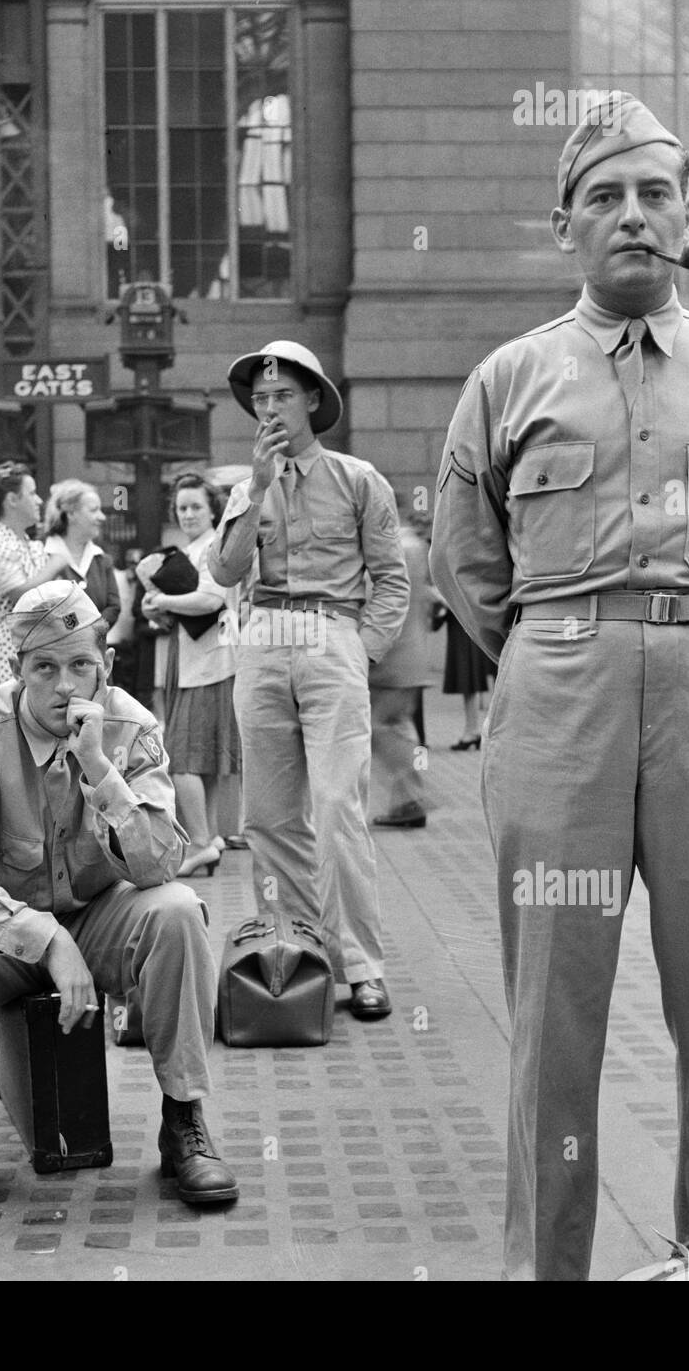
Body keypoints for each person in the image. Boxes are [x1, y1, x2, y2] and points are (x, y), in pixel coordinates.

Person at [429, 93, 689, 1281]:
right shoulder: (507, 378)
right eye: (604, 197)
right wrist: (570, 649)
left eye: (653, 195)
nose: (631, 217)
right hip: (557, 694)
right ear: (563, 227)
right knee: (552, 1017)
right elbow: (464, 561)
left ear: (688, 213)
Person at [0, 580, 236, 1218]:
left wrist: (101, 771)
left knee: (180, 912)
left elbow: (161, 863)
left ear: (106, 667)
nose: (64, 686)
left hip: (101, 918)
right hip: (2, 935)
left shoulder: (130, 725)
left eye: (81, 666)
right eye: (44, 667)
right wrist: (45, 939)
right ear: (18, 672)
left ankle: (183, 1119)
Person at [210, 341, 409, 1021]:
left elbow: (390, 579)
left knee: (335, 807)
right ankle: (301, 951)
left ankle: (362, 964)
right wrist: (259, 487)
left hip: (329, 636)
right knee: (267, 817)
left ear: (313, 401)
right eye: (259, 400)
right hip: (261, 641)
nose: (268, 409)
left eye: (282, 396)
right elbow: (225, 573)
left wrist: (359, 650)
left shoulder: (358, 479)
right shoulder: (245, 489)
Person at [139, 473, 241, 877]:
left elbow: (210, 600)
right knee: (204, 758)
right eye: (182, 507)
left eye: (196, 506)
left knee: (181, 759)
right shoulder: (193, 549)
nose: (188, 514)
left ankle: (199, 842)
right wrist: (156, 612)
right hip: (194, 661)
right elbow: (186, 612)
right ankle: (210, 836)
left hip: (209, 664)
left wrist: (161, 598)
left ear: (213, 508)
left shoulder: (214, 549)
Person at [369, 496, 436, 829]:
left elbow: (381, 598)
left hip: (392, 654)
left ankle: (413, 797)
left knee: (379, 727)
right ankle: (406, 801)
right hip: (411, 652)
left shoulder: (393, 546)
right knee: (398, 725)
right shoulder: (414, 543)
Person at [0, 461, 72, 691]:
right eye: (31, 493)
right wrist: (55, 565)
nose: (39, 500)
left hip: (38, 644)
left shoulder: (31, 545)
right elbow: (21, 596)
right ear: (12, 500)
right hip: (9, 648)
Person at [42, 479, 121, 629]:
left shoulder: (102, 559)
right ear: (71, 514)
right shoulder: (41, 553)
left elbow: (113, 607)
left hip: (94, 648)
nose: (102, 517)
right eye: (93, 510)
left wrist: (91, 631)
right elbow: (45, 607)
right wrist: (76, 630)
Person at [441, 608, 496, 750]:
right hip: (471, 626)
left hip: (475, 626)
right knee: (471, 680)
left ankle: (479, 731)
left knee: (474, 678)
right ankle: (473, 731)